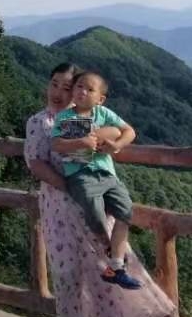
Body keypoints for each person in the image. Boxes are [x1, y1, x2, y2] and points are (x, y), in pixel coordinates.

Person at [25, 63, 175, 317]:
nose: (59, 92)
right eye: (55, 84)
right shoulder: (39, 122)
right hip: (58, 211)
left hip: (96, 209)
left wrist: (97, 144)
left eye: (67, 87)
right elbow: (36, 162)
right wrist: (70, 186)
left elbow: (113, 135)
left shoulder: (92, 114)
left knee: (104, 279)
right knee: (66, 280)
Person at [50, 70, 142, 289]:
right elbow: (56, 145)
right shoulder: (65, 117)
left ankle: (116, 267)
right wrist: (80, 143)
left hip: (107, 173)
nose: (82, 91)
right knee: (96, 214)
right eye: (79, 86)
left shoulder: (104, 113)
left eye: (89, 89)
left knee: (125, 212)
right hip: (80, 174)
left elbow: (129, 131)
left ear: (100, 98)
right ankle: (111, 253)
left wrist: (117, 146)